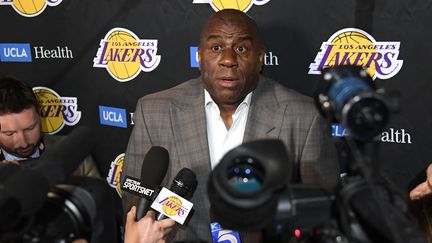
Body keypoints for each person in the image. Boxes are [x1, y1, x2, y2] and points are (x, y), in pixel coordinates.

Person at [122, 9, 340, 242]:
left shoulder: (304, 116)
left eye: (241, 48)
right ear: (199, 56)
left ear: (260, 58)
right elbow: (135, 201)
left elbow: (321, 214)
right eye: (216, 48)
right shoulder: (154, 111)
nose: (228, 60)